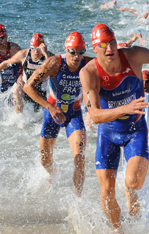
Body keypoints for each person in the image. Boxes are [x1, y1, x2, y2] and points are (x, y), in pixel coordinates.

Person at [79, 24, 149, 233]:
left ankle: (129, 189)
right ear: (94, 49)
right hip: (108, 134)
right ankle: (118, 230)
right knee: (106, 191)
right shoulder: (89, 73)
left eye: (112, 43)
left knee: (134, 183)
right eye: (103, 45)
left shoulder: (132, 56)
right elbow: (95, 115)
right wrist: (126, 108)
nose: (109, 49)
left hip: (135, 130)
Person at [23, 32, 93, 197]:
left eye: (80, 52)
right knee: (45, 161)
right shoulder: (54, 63)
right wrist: (50, 107)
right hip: (52, 115)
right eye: (72, 51)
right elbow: (28, 87)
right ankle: (53, 175)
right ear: (65, 49)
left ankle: (77, 200)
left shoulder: (88, 64)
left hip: (74, 115)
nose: (76, 56)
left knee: (80, 159)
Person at [0, 33, 53, 113]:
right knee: (17, 91)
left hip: (40, 94)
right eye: (33, 48)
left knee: (38, 118)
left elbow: (52, 71)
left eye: (38, 49)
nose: (36, 52)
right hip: (25, 90)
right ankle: (19, 121)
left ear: (43, 48)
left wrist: (46, 54)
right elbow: (5, 63)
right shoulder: (24, 54)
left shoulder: (49, 56)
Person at [0, 24, 24, 111]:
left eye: (2, 37)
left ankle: (21, 123)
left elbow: (24, 64)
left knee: (16, 96)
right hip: (5, 85)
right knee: (3, 110)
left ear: (7, 37)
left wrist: (20, 76)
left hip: (18, 82)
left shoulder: (13, 48)